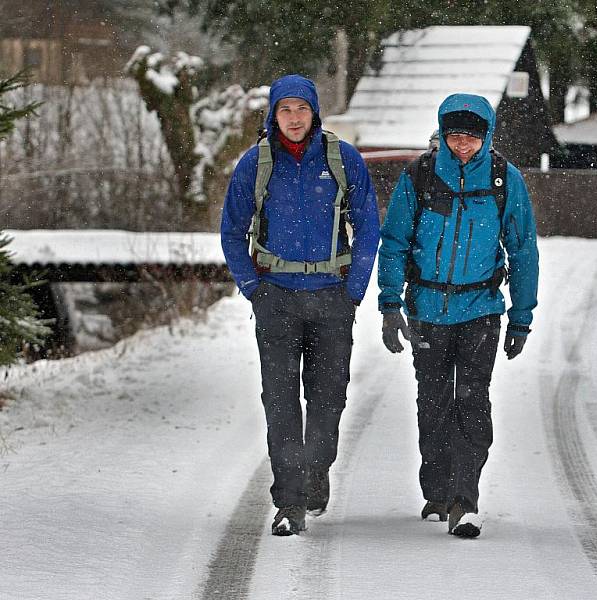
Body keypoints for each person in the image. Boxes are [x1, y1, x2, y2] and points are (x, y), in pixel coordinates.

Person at [221, 74, 380, 536]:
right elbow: (233, 231)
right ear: (273, 114)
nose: (294, 118)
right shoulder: (256, 163)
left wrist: (354, 289)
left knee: (328, 399)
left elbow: (368, 225)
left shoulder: (342, 159)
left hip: (332, 298)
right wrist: (252, 286)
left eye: (302, 109)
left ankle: (316, 474)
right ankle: (289, 501)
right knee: (281, 401)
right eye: (285, 109)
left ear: (314, 114)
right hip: (277, 300)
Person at [377, 93, 539, 538]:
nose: (462, 145)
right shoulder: (420, 177)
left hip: (481, 312)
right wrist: (390, 303)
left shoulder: (505, 180)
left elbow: (523, 250)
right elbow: (394, 241)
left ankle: (465, 500)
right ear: (442, 134)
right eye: (454, 135)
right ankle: (437, 488)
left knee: (472, 402)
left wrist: (521, 317)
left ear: (486, 136)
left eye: (471, 136)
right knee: (433, 405)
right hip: (427, 310)